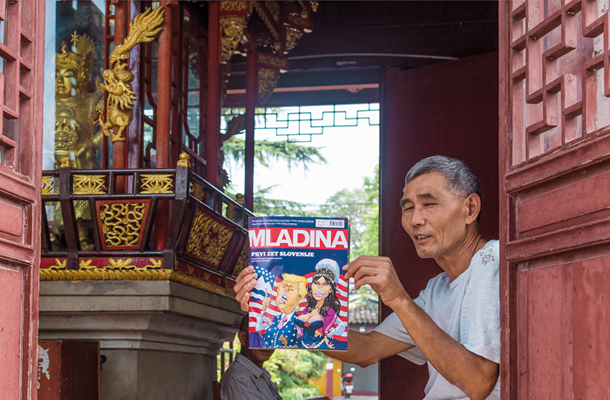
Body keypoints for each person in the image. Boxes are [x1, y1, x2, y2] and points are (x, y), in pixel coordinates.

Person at [235, 155, 500, 400]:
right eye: (408, 208)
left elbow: (478, 382)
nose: (415, 219)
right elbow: (367, 349)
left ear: (470, 208)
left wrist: (398, 298)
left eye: (429, 204)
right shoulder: (437, 290)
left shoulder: (493, 262)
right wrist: (283, 306)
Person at [220, 315, 331, 400]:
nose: (267, 344)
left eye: (273, 337)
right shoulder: (239, 378)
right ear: (243, 338)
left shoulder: (260, 374)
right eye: (260, 336)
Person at [296, 258, 346, 349]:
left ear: (331, 289)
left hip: (320, 346)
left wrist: (328, 334)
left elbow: (342, 325)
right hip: (301, 346)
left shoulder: (330, 311)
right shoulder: (306, 309)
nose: (319, 288)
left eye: (325, 284)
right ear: (312, 286)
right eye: (316, 283)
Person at [255, 273, 307, 348]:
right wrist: (263, 309)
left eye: (291, 289)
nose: (285, 292)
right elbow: (258, 328)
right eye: (284, 286)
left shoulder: (299, 322)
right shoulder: (273, 319)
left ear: (299, 296)